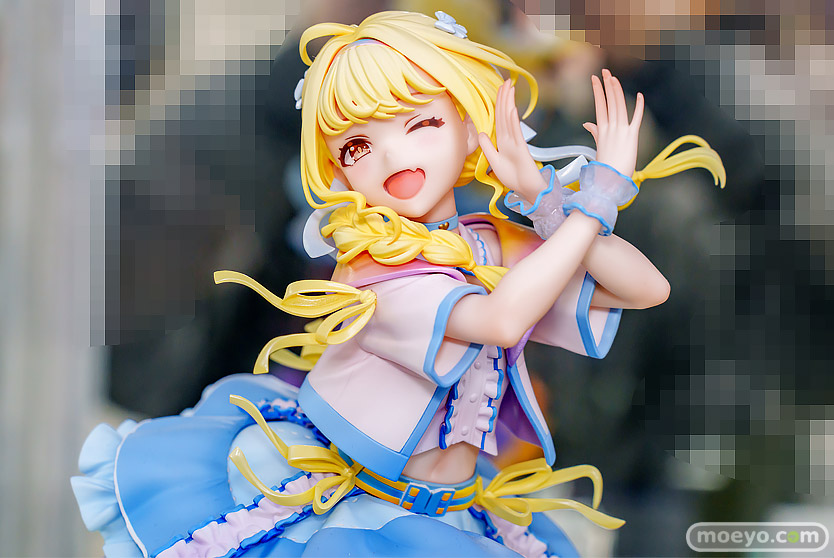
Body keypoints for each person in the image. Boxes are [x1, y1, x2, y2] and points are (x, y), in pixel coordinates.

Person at [72, 10, 724, 558]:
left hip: (457, 513)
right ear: (337, 170)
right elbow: (500, 320)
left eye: (421, 123)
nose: (392, 156)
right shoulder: (373, 267)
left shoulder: (486, 242)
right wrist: (591, 205)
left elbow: (642, 288)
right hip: (358, 517)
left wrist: (542, 195)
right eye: (357, 145)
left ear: (470, 126)